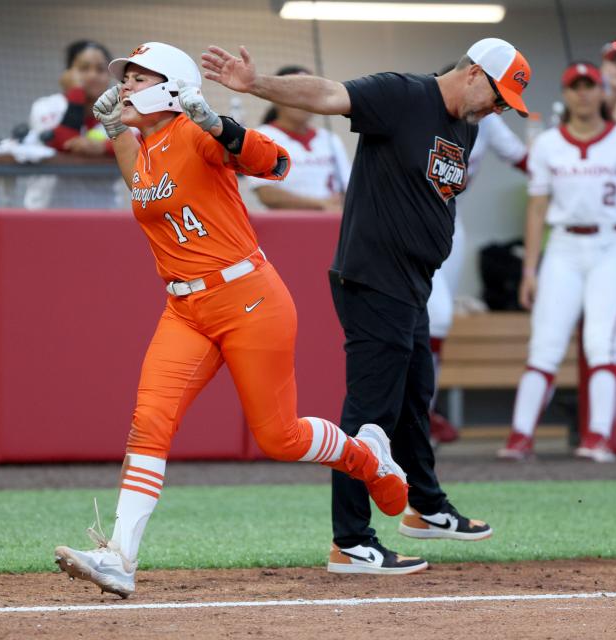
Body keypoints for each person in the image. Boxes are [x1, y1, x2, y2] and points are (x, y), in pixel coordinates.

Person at [53, 42, 409, 598]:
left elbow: (277, 163)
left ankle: (367, 454)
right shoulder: (146, 143)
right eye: (126, 77)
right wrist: (119, 132)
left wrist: (220, 125)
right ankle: (119, 556)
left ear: (170, 89)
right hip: (185, 307)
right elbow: (143, 186)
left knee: (279, 436)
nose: (123, 85)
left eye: (137, 77)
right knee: (150, 420)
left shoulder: (198, 132)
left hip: (248, 299)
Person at [202, 37, 531, 574]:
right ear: (472, 72)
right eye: (498, 97)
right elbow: (330, 94)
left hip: (414, 282)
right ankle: (350, 540)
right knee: (369, 412)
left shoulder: (466, 126)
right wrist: (254, 83)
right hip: (375, 278)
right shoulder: (402, 95)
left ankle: (424, 506)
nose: (498, 111)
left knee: (413, 397)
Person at [496, 61, 616, 463]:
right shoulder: (548, 143)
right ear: (565, 94)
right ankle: (520, 437)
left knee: (602, 344)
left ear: (601, 92)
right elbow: (536, 208)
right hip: (563, 246)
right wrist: (529, 269)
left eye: (589, 86)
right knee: (544, 347)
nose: (582, 93)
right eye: (574, 87)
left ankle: (597, 437)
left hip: (610, 245)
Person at [427, 109, 528, 444]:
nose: (490, 105)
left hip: (450, 219)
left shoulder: (487, 116)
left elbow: (524, 159)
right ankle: (408, 411)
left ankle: (422, 410)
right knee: (427, 316)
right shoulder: (418, 107)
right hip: (408, 218)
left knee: (438, 320)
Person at [24, 40, 127, 209]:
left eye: (100, 69)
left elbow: (140, 146)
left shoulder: (123, 112)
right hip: (48, 212)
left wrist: (102, 148)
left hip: (102, 216)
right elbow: (65, 141)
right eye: (84, 68)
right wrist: (77, 93)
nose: (92, 75)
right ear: (67, 74)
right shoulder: (45, 106)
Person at [247, 65, 352, 212]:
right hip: (285, 229)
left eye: (309, 94)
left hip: (331, 227)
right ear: (275, 97)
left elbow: (349, 189)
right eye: (294, 92)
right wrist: (320, 204)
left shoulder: (331, 139)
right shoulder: (260, 137)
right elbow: (267, 194)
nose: (301, 101)